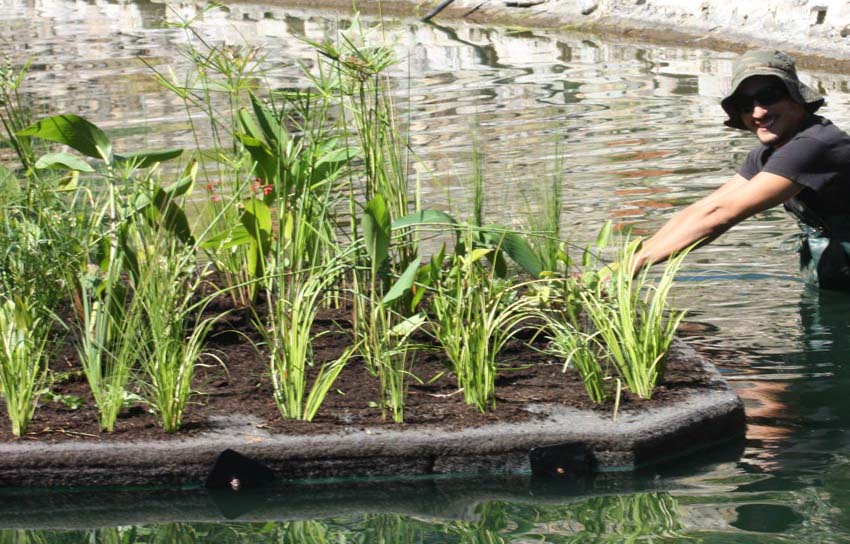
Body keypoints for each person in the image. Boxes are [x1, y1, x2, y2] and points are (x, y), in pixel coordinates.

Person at [630, 49, 850, 290]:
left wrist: (636, 266)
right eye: (745, 105)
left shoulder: (813, 146)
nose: (758, 113)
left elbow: (722, 214)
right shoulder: (769, 153)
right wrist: (627, 262)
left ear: (795, 97)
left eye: (769, 96)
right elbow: (702, 209)